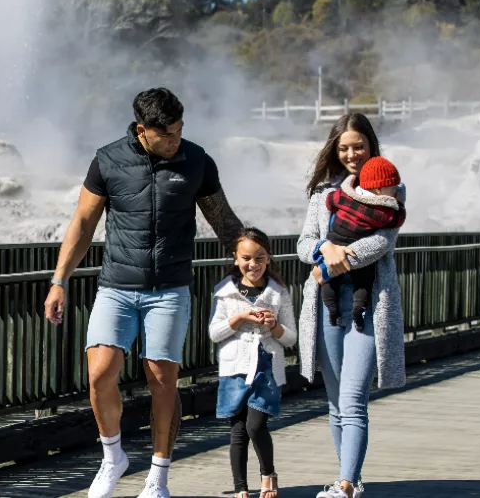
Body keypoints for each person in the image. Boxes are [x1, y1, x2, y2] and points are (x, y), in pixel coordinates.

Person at [43, 87, 244, 498]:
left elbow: (224, 220)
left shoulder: (197, 161)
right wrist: (59, 280)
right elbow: (82, 224)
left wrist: (256, 264)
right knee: (99, 374)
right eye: (167, 134)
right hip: (116, 287)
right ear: (141, 131)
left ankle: (158, 476)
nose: (176, 140)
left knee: (161, 380)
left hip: (169, 290)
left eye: (180, 130)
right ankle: (113, 456)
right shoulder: (108, 160)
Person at [295, 114, 407, 498]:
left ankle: (344, 485)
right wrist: (322, 249)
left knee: (352, 397)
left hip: (369, 302)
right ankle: (351, 481)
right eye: (343, 147)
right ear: (334, 150)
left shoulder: (390, 188)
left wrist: (338, 258)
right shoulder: (322, 194)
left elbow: (382, 242)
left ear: (371, 146)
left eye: (358, 146)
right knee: (335, 401)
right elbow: (303, 243)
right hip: (325, 305)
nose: (351, 154)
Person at [208, 228, 296, 498]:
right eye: (246, 258)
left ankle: (268, 473)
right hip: (235, 368)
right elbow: (214, 333)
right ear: (236, 258)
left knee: (255, 425)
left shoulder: (278, 293)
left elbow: (291, 338)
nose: (253, 264)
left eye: (259, 258)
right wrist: (240, 318)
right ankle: (240, 488)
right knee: (238, 430)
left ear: (268, 259)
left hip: (266, 367)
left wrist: (275, 326)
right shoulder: (224, 293)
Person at [319, 156, 406, 332]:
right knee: (364, 282)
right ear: (379, 190)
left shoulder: (344, 195)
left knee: (329, 283)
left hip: (334, 242)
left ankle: (332, 310)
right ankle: (358, 310)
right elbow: (396, 220)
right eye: (392, 187)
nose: (394, 190)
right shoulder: (381, 211)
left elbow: (329, 202)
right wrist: (400, 204)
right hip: (354, 251)